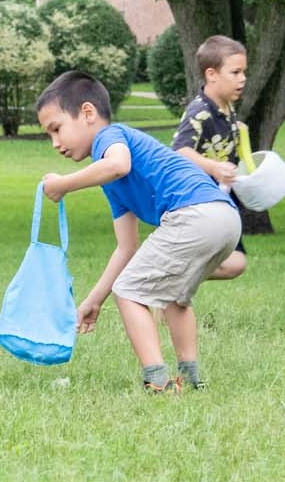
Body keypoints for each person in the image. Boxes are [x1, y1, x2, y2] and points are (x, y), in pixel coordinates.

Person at [35, 69, 242, 392]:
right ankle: (191, 379)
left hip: (194, 214)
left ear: (87, 113)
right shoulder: (112, 184)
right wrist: (94, 301)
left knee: (130, 292)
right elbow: (126, 249)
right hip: (224, 218)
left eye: (57, 129)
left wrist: (63, 184)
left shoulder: (110, 137)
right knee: (176, 297)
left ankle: (157, 381)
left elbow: (118, 164)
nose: (55, 143)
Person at [171, 33, 250, 281]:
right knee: (232, 261)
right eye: (235, 73)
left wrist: (238, 130)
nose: (242, 79)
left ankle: (175, 275)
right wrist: (214, 168)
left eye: (243, 72)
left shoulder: (226, 107)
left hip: (219, 200)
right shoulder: (199, 111)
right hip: (197, 202)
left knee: (235, 262)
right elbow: (180, 151)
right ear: (211, 74)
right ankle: (170, 275)